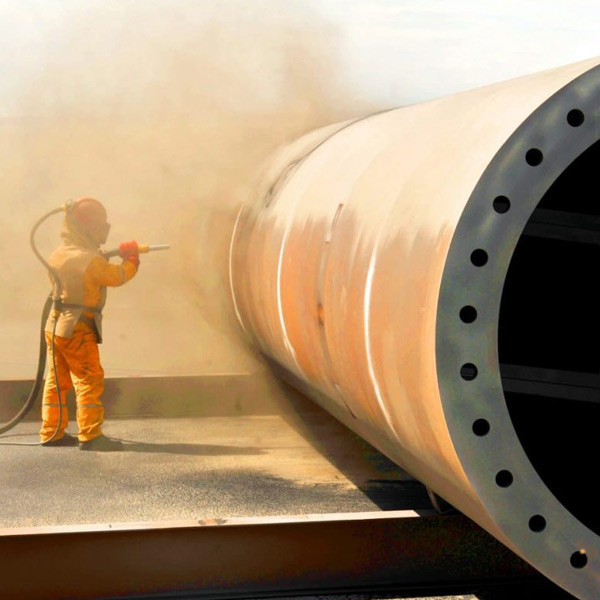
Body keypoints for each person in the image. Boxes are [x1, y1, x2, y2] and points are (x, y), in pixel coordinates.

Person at [40, 197, 139, 451]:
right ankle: (91, 435)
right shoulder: (91, 261)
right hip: (78, 329)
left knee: (57, 381)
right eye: (96, 226)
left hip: (55, 326)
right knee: (88, 379)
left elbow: (80, 268)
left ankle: (51, 432)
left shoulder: (58, 254)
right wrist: (131, 260)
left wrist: (97, 255)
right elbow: (116, 276)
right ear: (83, 227)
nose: (101, 231)